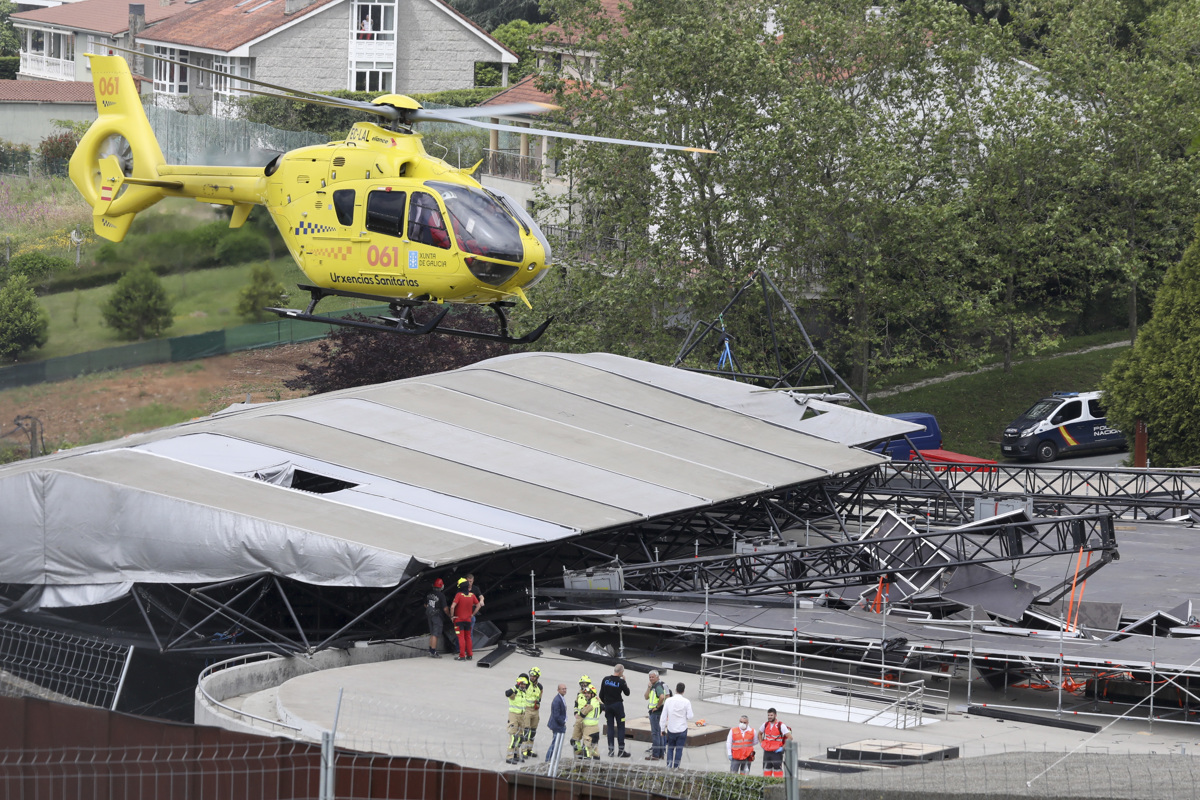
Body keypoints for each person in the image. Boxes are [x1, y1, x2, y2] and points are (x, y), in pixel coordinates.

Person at [599, 663, 631, 757]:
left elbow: (601, 694)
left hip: (608, 706)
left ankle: (611, 750)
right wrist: (625, 682)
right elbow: (627, 693)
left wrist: (604, 705)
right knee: (621, 727)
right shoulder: (621, 682)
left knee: (610, 727)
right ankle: (621, 751)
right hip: (618, 706)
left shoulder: (605, 679)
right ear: (621, 671)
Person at [660, 682, 693, 769]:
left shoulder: (668, 701)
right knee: (679, 749)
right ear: (683, 691)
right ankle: (676, 767)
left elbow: (663, 716)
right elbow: (690, 716)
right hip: (682, 728)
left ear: (675, 690)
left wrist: (662, 729)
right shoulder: (686, 702)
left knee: (670, 748)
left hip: (671, 728)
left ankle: (669, 765)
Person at [571, 675, 600, 759]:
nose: (583, 685)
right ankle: (578, 758)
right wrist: (576, 712)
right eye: (582, 684)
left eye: (585, 684)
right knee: (575, 741)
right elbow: (576, 704)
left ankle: (591, 759)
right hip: (579, 721)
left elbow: (600, 706)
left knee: (587, 745)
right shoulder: (579, 694)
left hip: (587, 723)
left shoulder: (593, 697)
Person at [504, 674, 530, 764]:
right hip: (514, 716)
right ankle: (509, 756)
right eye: (522, 684)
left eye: (524, 684)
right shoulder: (514, 691)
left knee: (519, 737)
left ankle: (516, 755)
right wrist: (516, 686)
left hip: (522, 716)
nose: (523, 686)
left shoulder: (523, 692)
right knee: (513, 736)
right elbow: (507, 693)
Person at [449, 578, 478, 660]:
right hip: (468, 620)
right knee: (468, 637)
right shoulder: (472, 595)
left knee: (461, 637)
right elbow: (478, 605)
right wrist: (472, 614)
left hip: (459, 621)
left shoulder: (458, 595)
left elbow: (452, 606)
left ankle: (462, 656)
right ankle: (469, 655)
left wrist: (452, 616)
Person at [759, 708, 792, 777]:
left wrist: (782, 748)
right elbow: (759, 734)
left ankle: (778, 785)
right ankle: (767, 785)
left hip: (776, 752)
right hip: (767, 751)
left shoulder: (781, 725)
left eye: (771, 715)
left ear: (775, 715)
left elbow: (790, 737)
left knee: (777, 770)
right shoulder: (765, 724)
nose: (769, 717)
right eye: (768, 715)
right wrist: (761, 743)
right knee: (767, 769)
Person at [644, 670, 669, 761]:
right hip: (660, 713)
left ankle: (655, 755)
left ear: (657, 677)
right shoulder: (654, 686)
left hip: (655, 713)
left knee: (655, 734)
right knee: (660, 733)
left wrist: (657, 707)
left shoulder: (657, 686)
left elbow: (662, 697)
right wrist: (648, 688)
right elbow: (646, 697)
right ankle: (661, 753)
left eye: (653, 677)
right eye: (650, 677)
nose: (651, 678)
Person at [522, 666, 544, 758]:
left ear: (537, 677)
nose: (532, 677)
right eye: (531, 675)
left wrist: (538, 703)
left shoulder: (540, 687)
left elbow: (539, 698)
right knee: (526, 730)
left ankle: (529, 750)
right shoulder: (526, 684)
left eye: (534, 676)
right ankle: (524, 751)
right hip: (527, 710)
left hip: (535, 711)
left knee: (533, 731)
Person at [423, 578, 446, 657]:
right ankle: (433, 651)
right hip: (437, 616)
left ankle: (430, 650)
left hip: (429, 615)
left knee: (432, 633)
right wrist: (450, 615)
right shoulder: (441, 596)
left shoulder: (428, 593)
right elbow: (445, 608)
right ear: (441, 586)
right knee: (435, 634)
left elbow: (425, 604)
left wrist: (430, 609)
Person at [545, 683, 568, 763]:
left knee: (557, 743)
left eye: (565, 689)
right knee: (555, 744)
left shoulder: (561, 698)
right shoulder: (557, 700)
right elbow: (556, 715)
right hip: (557, 725)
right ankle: (548, 759)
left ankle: (554, 759)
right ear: (558, 690)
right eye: (562, 689)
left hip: (559, 724)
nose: (564, 690)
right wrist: (563, 723)